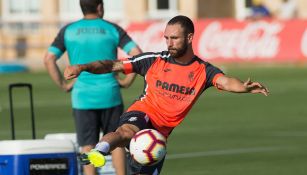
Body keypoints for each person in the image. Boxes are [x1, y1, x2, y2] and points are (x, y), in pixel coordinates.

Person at [64, 15, 269, 174]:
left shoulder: (203, 71)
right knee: (126, 131)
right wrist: (83, 66)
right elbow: (112, 65)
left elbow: (225, 81)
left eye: (174, 38)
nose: (169, 43)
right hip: (143, 112)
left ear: (189, 38)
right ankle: (99, 150)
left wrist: (243, 87)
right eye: (166, 38)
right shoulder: (154, 60)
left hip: (158, 138)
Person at [44, 0, 142, 175]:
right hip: (110, 94)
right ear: (100, 7)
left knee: (87, 145)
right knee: (117, 142)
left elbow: (49, 58)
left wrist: (63, 85)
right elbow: (137, 54)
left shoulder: (69, 30)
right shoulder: (112, 28)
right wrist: (127, 81)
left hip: (82, 97)